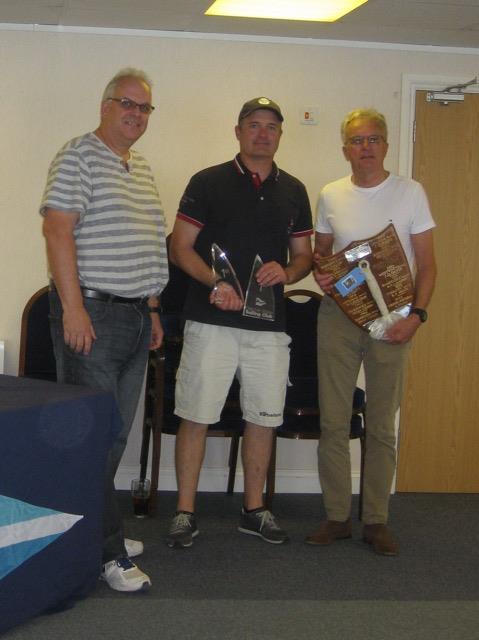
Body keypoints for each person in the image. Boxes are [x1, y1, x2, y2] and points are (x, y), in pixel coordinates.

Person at [40, 68, 168, 590]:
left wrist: (155, 309)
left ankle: (93, 528)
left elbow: (149, 242)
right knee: (93, 438)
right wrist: (73, 309)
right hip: (92, 316)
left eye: (144, 108)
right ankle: (108, 554)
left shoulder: (140, 167)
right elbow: (56, 229)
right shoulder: (77, 155)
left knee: (113, 435)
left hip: (137, 316)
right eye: (127, 104)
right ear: (105, 106)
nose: (135, 114)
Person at [167, 97, 313, 548]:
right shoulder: (207, 181)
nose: (262, 133)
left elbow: (305, 255)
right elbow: (180, 246)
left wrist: (287, 272)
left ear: (280, 135)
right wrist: (215, 283)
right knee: (196, 414)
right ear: (238, 131)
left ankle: (254, 510)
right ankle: (185, 512)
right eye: (254, 125)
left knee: (264, 417)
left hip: (269, 328)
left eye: (271, 127)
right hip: (210, 321)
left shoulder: (294, 189)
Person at [306, 108, 436, 556]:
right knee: (334, 421)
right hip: (339, 317)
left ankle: (376, 520)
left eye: (374, 139)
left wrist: (416, 316)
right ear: (346, 148)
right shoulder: (330, 194)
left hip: (393, 319)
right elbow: (321, 254)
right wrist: (321, 273)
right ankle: (337, 516)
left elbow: (428, 263)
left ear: (384, 145)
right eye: (357, 140)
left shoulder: (410, 192)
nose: (366, 147)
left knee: (381, 423)